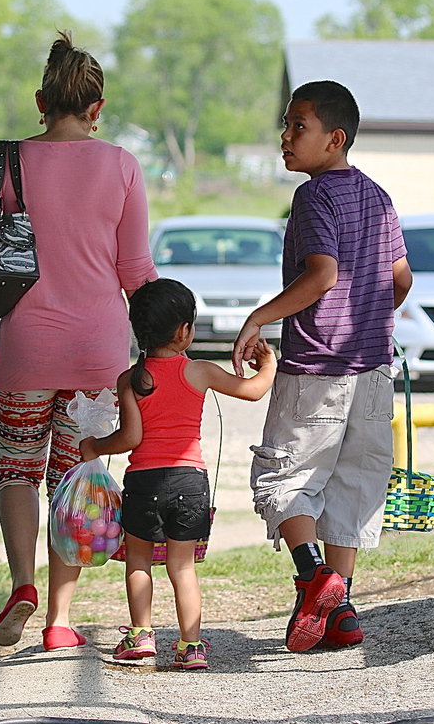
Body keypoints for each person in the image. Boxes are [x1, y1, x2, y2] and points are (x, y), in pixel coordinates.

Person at [0, 31, 157, 652]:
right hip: (98, 353)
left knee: (17, 468)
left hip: (26, 348)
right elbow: (135, 271)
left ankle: (21, 583)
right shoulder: (121, 165)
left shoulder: (6, 160)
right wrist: (162, 344)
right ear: (96, 109)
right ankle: (59, 618)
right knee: (73, 476)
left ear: (41, 100)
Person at [232, 80, 413, 654]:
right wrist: (370, 320)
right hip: (373, 370)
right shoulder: (379, 197)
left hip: (316, 367)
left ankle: (313, 576)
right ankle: (343, 613)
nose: (285, 137)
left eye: (299, 126)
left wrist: (257, 318)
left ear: (335, 139)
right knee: (352, 489)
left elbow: (321, 276)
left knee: (285, 477)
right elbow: (401, 279)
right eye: (285, 125)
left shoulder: (315, 198)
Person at [78, 278, 276, 670]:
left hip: (144, 482)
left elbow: (131, 437)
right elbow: (254, 391)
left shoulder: (132, 379)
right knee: (181, 567)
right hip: (190, 482)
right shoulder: (200, 371)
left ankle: (141, 636)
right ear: (184, 330)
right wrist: (269, 363)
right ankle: (191, 646)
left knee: (138, 562)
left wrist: (94, 447)